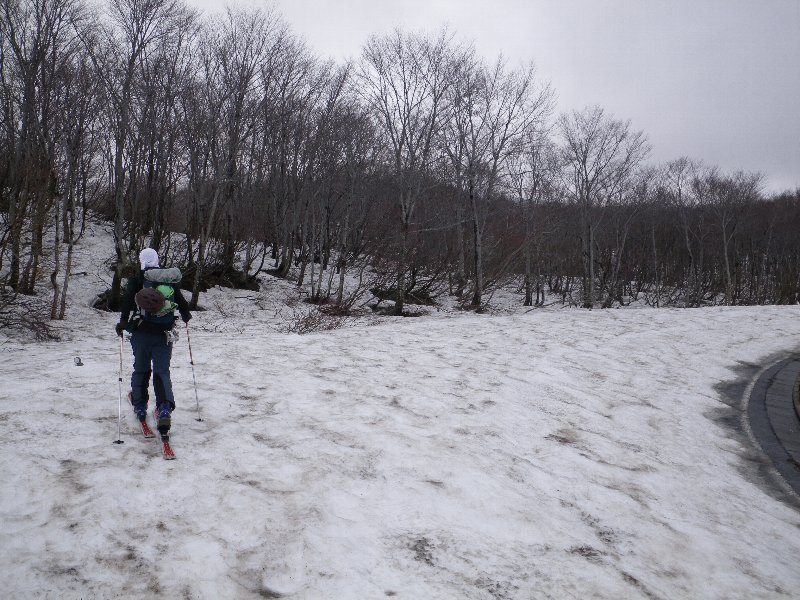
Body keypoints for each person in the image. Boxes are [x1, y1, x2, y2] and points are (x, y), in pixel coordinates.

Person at [116, 248, 191, 435]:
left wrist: (123, 322)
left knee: (141, 369)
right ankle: (164, 407)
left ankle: (140, 405)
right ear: (157, 260)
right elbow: (181, 302)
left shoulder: (138, 280)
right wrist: (186, 315)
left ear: (142, 261)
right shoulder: (167, 278)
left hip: (141, 334)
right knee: (162, 371)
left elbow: (126, 301)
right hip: (164, 334)